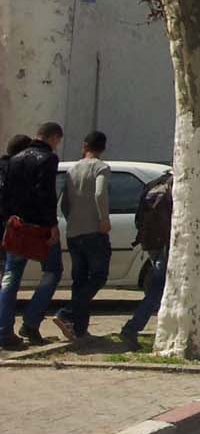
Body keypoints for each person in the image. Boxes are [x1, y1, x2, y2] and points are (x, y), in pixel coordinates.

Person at [0, 123, 65, 349]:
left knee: (10, 278)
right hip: (39, 229)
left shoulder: (15, 159)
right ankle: (31, 321)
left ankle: (4, 331)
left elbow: (6, 194)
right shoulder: (48, 158)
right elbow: (45, 194)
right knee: (52, 271)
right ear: (54, 137)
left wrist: (10, 217)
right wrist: (52, 225)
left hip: (17, 227)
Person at [58, 130, 111, 341]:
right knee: (98, 276)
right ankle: (68, 313)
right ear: (103, 148)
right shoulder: (101, 167)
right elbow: (100, 193)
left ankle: (78, 328)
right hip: (93, 231)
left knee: (79, 279)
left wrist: (72, 218)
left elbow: (64, 203)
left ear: (84, 146)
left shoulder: (72, 170)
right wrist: (103, 219)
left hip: (74, 231)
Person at [119, 169, 173, 347]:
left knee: (161, 289)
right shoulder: (175, 187)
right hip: (166, 245)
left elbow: (138, 219)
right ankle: (131, 329)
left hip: (151, 244)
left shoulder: (154, 184)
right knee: (157, 290)